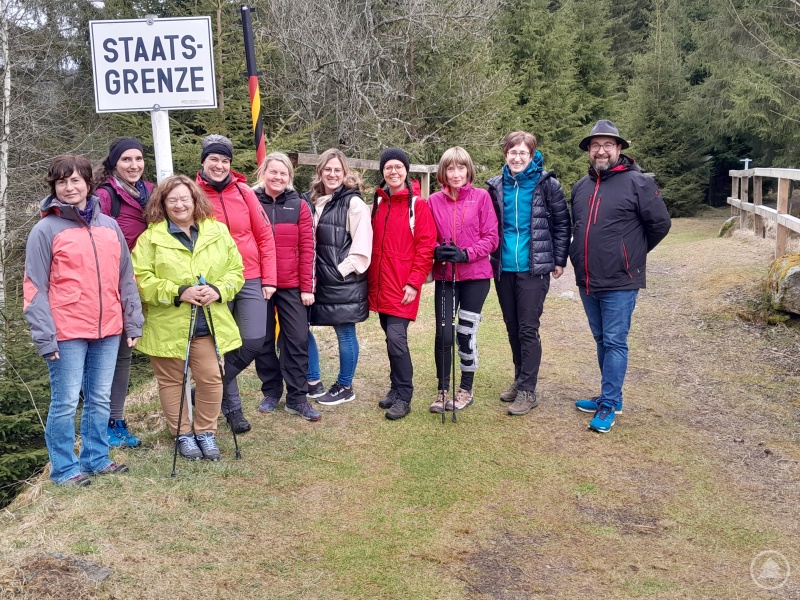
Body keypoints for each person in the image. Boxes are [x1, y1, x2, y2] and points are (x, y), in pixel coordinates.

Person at [24, 154, 143, 486]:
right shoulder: (45, 230)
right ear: (54, 187)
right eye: (62, 182)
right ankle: (64, 469)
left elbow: (126, 278)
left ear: (89, 183)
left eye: (75, 180)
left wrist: (133, 321)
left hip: (108, 330)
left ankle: (96, 458)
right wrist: (45, 337)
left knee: (100, 397)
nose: (69, 187)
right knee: (64, 402)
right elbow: (34, 288)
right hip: (66, 332)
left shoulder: (110, 226)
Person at [131, 174, 245, 460]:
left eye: (185, 199)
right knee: (171, 382)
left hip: (208, 322)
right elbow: (140, 280)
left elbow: (236, 271)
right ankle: (182, 433)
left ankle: (205, 431)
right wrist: (177, 291)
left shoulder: (217, 232)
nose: (180, 205)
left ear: (196, 201)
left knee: (211, 379)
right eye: (173, 200)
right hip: (168, 323)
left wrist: (218, 290)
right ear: (162, 204)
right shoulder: (150, 240)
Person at [570, 120, 671, 433]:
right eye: (596, 145)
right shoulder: (581, 186)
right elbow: (578, 227)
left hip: (621, 281)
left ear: (619, 149)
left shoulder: (638, 182)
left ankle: (609, 404)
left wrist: (632, 255)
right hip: (588, 278)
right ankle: (611, 395)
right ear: (589, 150)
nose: (601, 151)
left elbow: (660, 225)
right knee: (602, 339)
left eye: (608, 145)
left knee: (615, 341)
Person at [229, 152, 320, 421]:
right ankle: (271, 391)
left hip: (292, 284)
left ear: (289, 177)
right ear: (263, 173)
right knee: (263, 339)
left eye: (283, 173)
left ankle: (297, 397)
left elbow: (308, 248)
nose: (278, 177)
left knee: (297, 339)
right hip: (257, 281)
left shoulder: (299, 205)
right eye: (273, 172)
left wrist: (307, 287)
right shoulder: (249, 201)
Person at [195, 134, 276, 434]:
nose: (219, 165)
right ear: (203, 161)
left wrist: (269, 278)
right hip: (213, 281)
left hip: (250, 275)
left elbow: (264, 235)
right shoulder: (192, 194)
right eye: (214, 159)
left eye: (225, 160)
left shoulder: (244, 192)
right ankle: (233, 410)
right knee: (221, 345)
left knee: (254, 340)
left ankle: (210, 386)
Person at [487, 131, 571, 416]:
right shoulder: (496, 186)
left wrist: (559, 259)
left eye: (524, 152)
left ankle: (528, 390)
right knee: (512, 327)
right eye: (513, 152)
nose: (518, 157)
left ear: (533, 155)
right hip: (503, 268)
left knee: (527, 328)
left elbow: (562, 223)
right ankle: (519, 378)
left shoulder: (548, 185)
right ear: (505, 154)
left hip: (534, 269)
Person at [427, 147, 498, 414]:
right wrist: (436, 250)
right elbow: (427, 235)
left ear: (468, 170)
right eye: (450, 168)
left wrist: (466, 253)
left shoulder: (481, 198)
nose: (456, 174)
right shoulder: (434, 201)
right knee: (444, 333)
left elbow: (491, 238)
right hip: (446, 277)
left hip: (475, 276)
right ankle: (442, 388)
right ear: (443, 172)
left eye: (461, 168)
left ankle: (466, 388)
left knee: (465, 333)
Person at [95, 137, 155, 448]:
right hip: (112, 285)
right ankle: (105, 422)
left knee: (123, 356)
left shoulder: (150, 191)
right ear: (114, 163)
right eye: (126, 160)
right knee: (112, 356)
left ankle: (114, 419)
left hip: (142, 284)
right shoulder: (105, 195)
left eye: (138, 159)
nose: (134, 165)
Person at [368, 148, 436, 420]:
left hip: (403, 284)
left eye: (398, 167)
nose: (393, 171)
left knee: (397, 338)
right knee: (390, 336)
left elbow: (426, 246)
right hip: (381, 282)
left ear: (406, 171)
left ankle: (405, 395)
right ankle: (395, 388)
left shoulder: (417, 205)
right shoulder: (379, 202)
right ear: (383, 171)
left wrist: (414, 283)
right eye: (388, 167)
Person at [306, 149, 373, 405]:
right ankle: (312, 380)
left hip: (342, 281)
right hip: (315, 280)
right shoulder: (312, 200)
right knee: (301, 328)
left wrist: (339, 271)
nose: (332, 174)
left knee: (344, 333)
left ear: (345, 173)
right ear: (320, 172)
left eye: (337, 170)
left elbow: (362, 246)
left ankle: (345, 386)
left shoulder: (352, 203)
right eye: (327, 169)